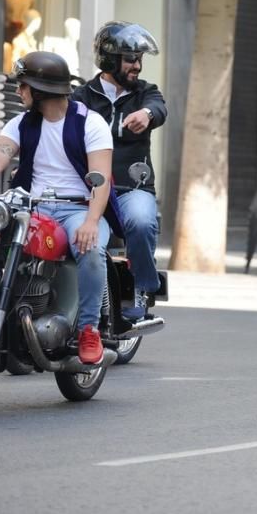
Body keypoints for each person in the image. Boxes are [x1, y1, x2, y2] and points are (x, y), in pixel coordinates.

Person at [0, 52, 124, 364]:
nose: (17, 91)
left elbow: (101, 180)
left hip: (78, 208)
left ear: (39, 90)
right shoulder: (20, 123)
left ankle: (88, 329)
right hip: (32, 206)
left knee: (90, 249)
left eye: (22, 86)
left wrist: (92, 221)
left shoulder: (90, 123)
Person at [72, 21, 166, 319]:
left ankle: (142, 286)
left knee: (140, 222)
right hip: (88, 189)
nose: (137, 66)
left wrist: (147, 114)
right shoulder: (81, 97)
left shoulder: (146, 93)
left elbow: (159, 109)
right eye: (130, 58)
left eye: (140, 59)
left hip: (131, 187)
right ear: (109, 59)